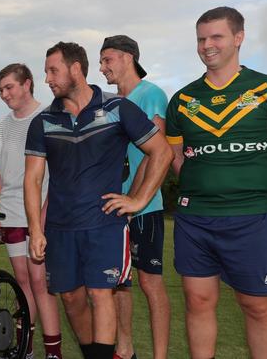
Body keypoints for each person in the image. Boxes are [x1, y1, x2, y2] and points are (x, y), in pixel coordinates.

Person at [24, 41, 173, 359]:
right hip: (60, 226)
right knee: (71, 298)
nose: (48, 78)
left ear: (75, 69)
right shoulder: (43, 122)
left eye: (53, 70)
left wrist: (138, 200)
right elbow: (33, 179)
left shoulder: (117, 108)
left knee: (100, 292)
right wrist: (36, 229)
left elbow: (161, 151)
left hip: (104, 221)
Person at [165, 6, 267, 359]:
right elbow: (174, 156)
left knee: (257, 306)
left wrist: (257, 186)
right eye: (201, 38)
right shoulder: (183, 100)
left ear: (238, 37)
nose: (207, 45)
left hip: (255, 216)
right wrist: (204, 185)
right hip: (195, 218)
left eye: (216, 36)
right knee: (198, 301)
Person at [99, 35, 171, 359]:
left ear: (128, 57)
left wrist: (134, 199)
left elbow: (153, 154)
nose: (102, 68)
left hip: (144, 206)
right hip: (116, 206)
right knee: (119, 282)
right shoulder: (109, 104)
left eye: (107, 60)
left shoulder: (150, 94)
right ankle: (125, 349)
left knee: (150, 284)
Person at [0, 63, 62, 359]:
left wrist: (43, 216)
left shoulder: (48, 117)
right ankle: (26, 349)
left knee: (40, 282)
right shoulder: (1, 126)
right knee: (22, 281)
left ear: (27, 84)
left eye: (9, 87)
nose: (5, 94)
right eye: (0, 90)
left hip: (39, 213)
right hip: (9, 213)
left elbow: (55, 173)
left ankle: (53, 352)